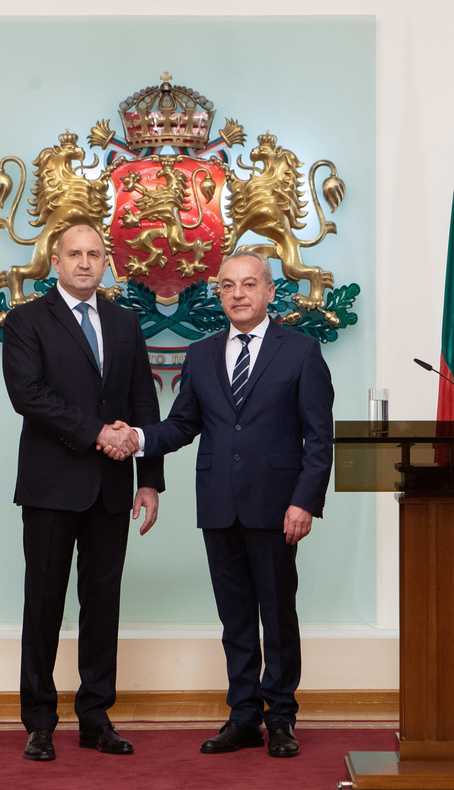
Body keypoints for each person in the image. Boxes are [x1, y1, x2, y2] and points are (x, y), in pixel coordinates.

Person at [105, 250, 334, 758]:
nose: (238, 294)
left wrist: (305, 502)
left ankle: (281, 717)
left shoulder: (301, 351)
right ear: (219, 295)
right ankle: (244, 716)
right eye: (228, 286)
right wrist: (137, 438)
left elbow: (319, 438)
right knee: (235, 618)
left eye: (249, 284)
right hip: (218, 504)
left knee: (277, 615)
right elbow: (183, 424)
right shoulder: (202, 354)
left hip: (278, 506)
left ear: (270, 291)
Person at [2, 221, 163, 762]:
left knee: (102, 605)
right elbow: (29, 395)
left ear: (106, 262)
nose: (85, 263)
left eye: (94, 254)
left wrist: (150, 479)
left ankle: (95, 718)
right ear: (56, 260)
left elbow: (144, 402)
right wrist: (97, 433)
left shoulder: (124, 322)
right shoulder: (26, 320)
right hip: (51, 487)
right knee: (43, 605)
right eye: (75, 253)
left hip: (112, 490)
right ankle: (39, 722)